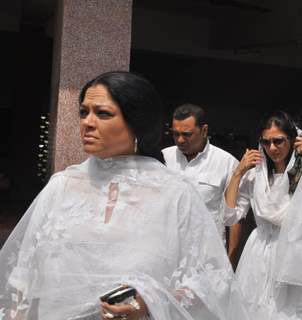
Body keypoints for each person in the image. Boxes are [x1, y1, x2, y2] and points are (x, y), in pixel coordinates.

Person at [0, 71, 248, 320]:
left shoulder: (175, 193)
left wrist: (150, 302)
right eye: (84, 112)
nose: (87, 122)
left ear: (137, 122)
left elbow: (211, 282)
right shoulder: (62, 186)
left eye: (103, 113)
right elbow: (24, 275)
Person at [224, 111, 302, 319]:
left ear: (292, 140)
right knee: (254, 309)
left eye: (279, 141)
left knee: (291, 313)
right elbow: (230, 216)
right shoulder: (257, 176)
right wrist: (238, 172)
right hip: (259, 253)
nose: (272, 148)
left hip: (295, 253)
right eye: (266, 142)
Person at [162, 103, 242, 248]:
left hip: (207, 253)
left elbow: (235, 218)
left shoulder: (226, 163)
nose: (180, 140)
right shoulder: (163, 159)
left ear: (204, 130)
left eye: (187, 134)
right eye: (175, 134)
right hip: (168, 249)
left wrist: (231, 257)